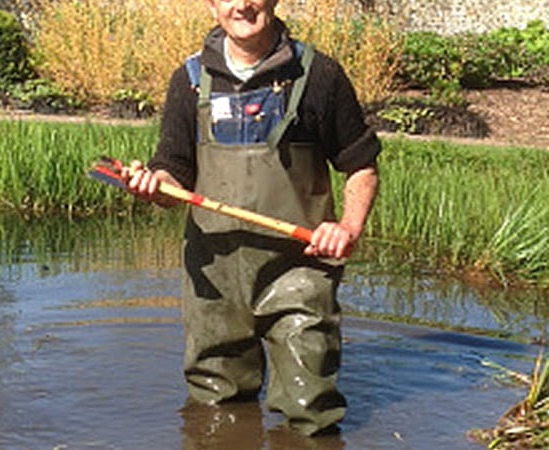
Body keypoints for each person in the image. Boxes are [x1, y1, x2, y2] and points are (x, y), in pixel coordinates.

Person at [121, 0, 380, 437]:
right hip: (213, 279)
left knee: (309, 413)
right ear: (211, 4)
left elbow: (362, 165)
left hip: (300, 270)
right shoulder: (188, 80)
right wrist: (154, 185)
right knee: (214, 413)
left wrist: (348, 228)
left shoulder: (318, 76)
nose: (241, 4)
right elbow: (174, 171)